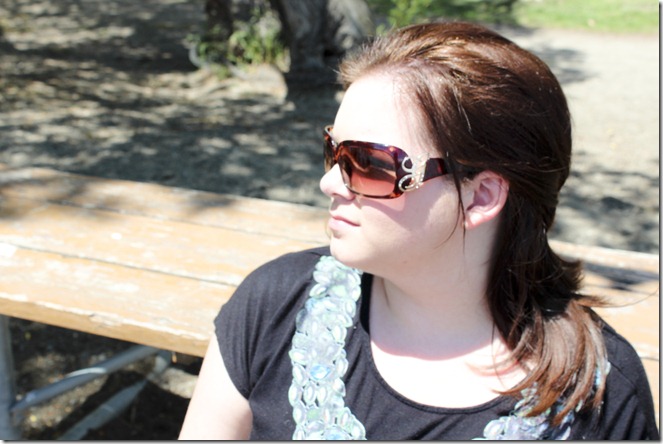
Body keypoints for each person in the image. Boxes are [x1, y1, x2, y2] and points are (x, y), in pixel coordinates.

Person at [179, 22, 659, 440]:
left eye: (368, 164)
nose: (329, 183)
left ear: (481, 197)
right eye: (333, 151)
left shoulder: (600, 395)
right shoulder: (274, 305)